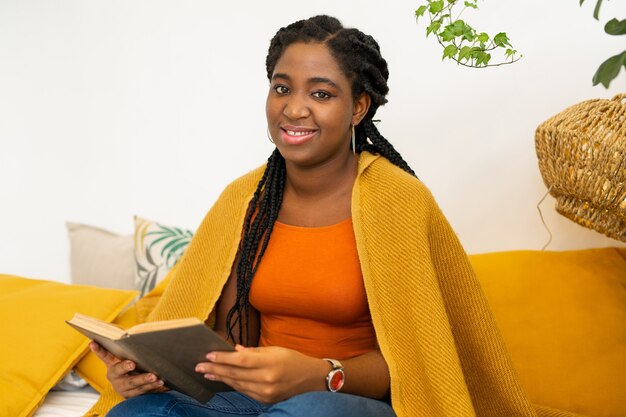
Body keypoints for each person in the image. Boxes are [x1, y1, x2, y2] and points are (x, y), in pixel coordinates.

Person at [87, 14, 545, 417]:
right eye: (282, 88)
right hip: (255, 401)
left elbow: (422, 362)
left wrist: (320, 375)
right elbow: (231, 346)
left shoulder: (396, 199)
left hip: (354, 401)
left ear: (358, 107)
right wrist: (151, 374)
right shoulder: (247, 199)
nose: (294, 108)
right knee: (141, 412)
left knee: (307, 410)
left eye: (321, 93)